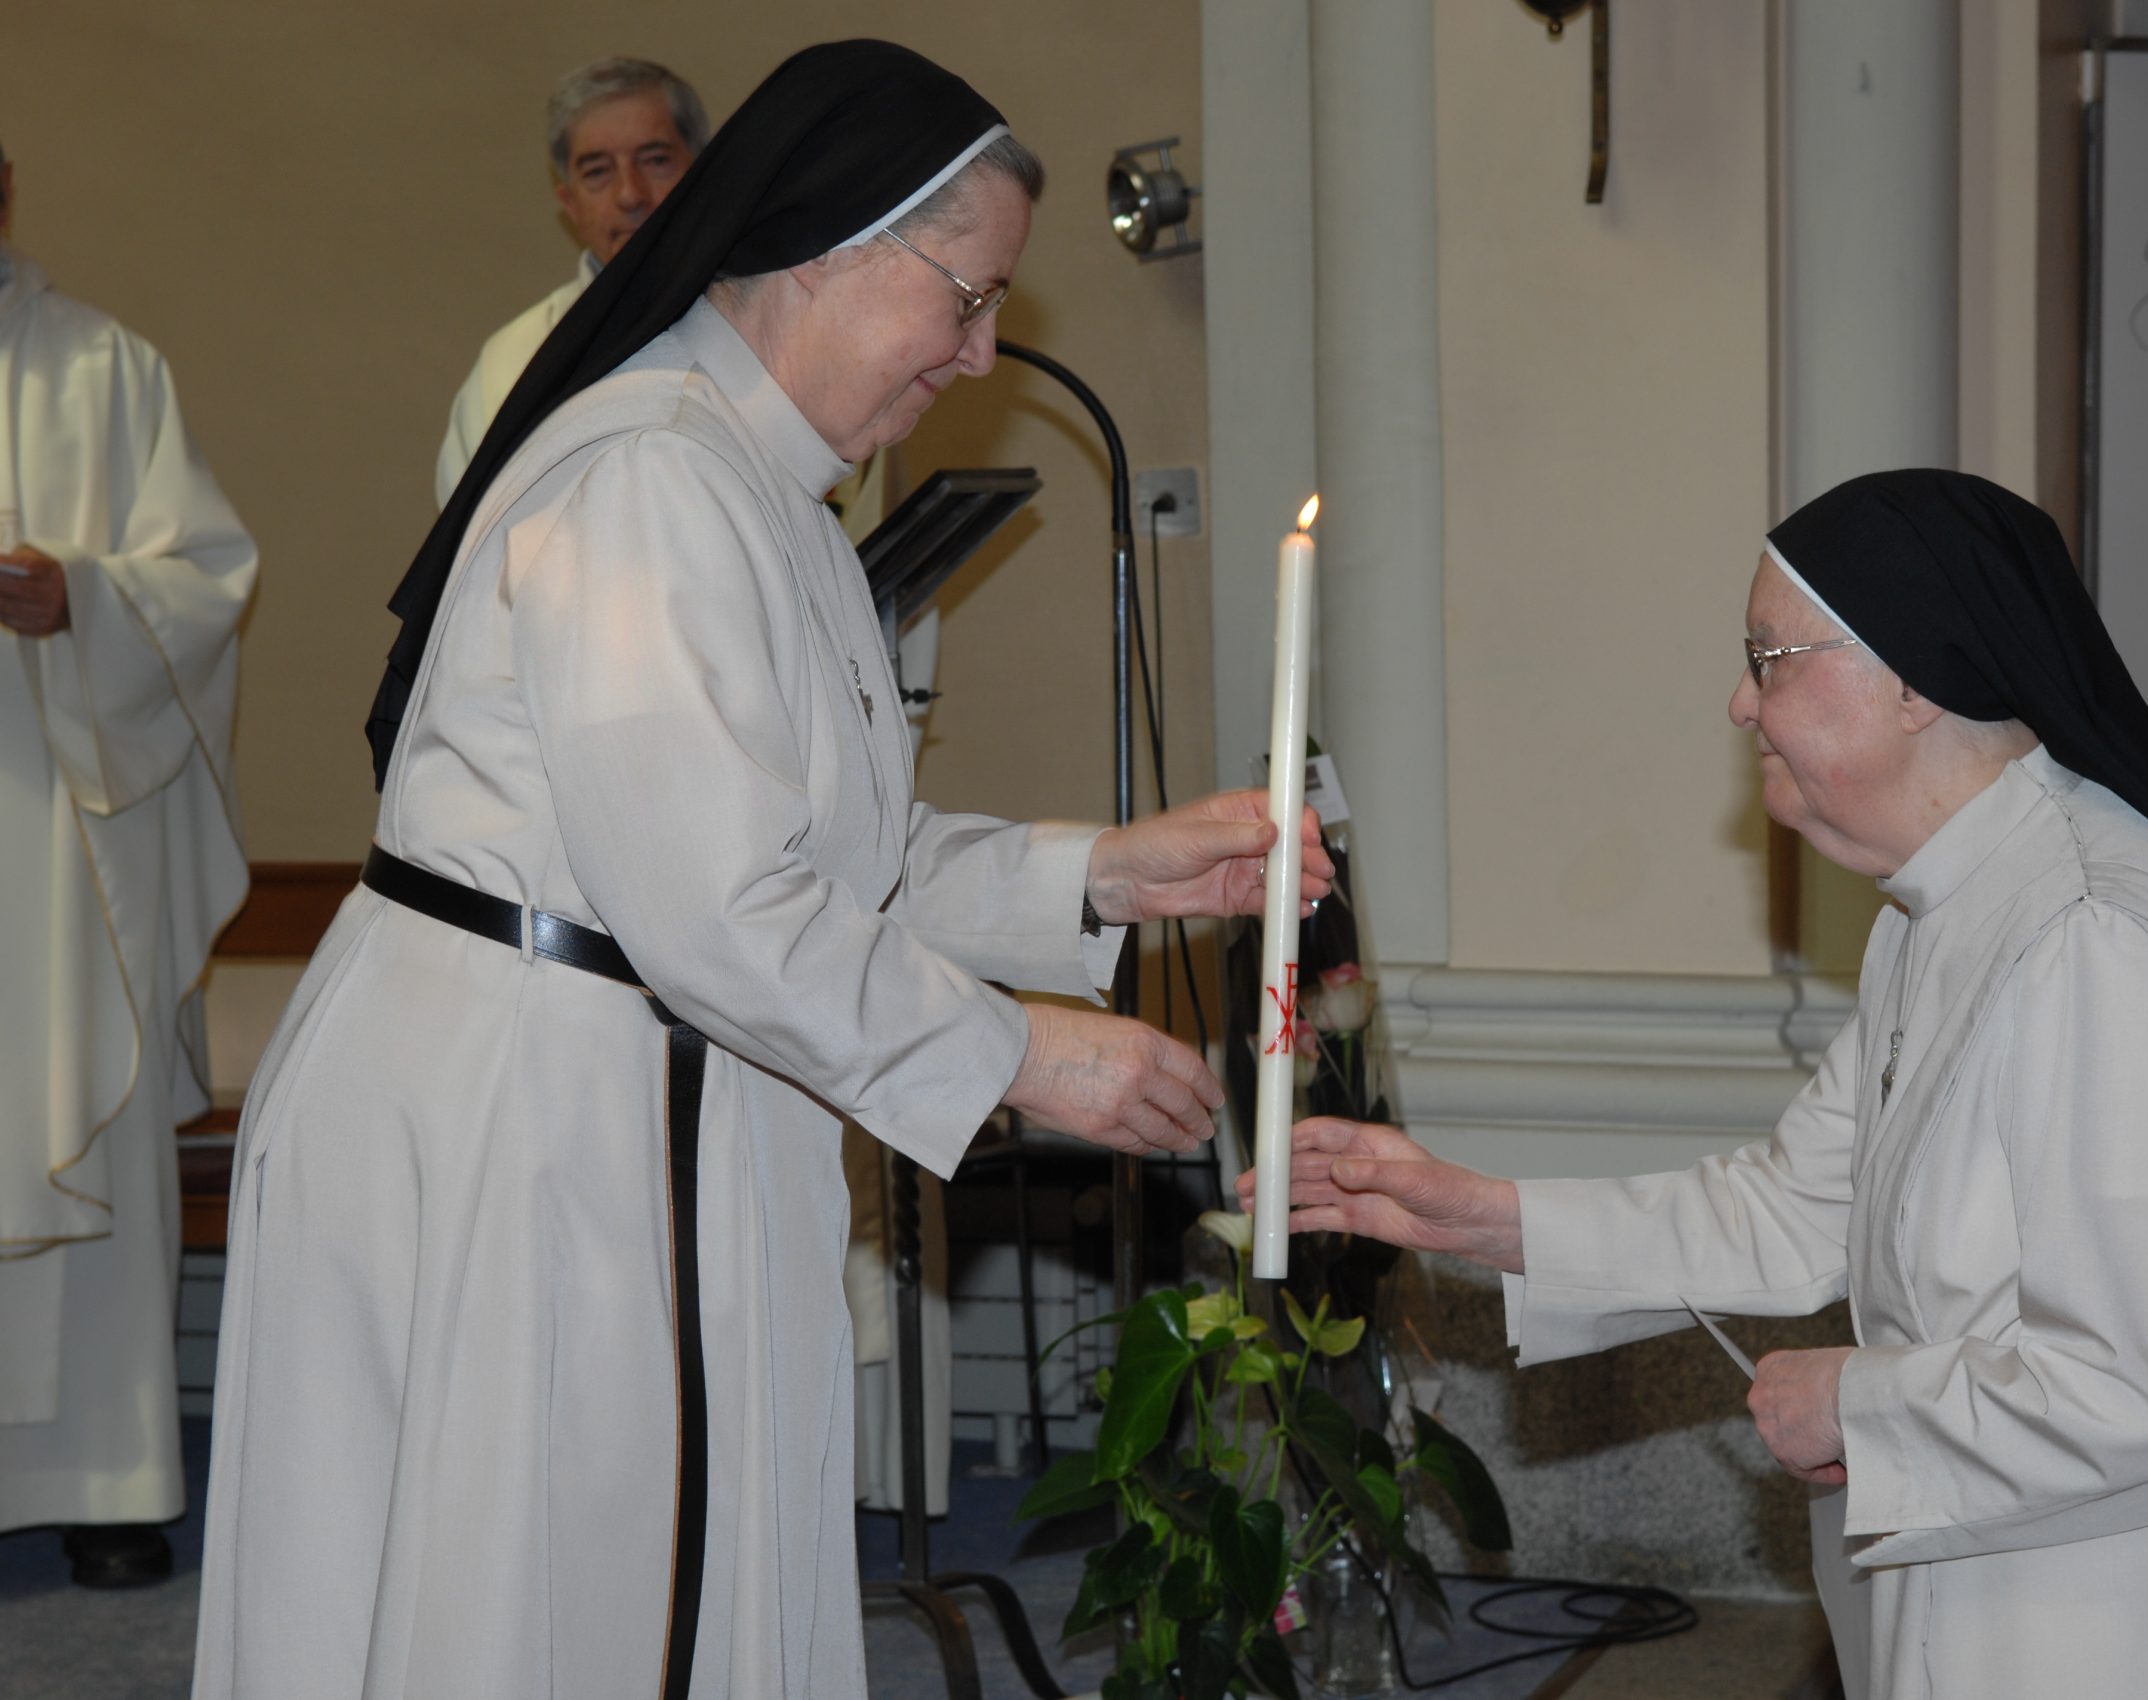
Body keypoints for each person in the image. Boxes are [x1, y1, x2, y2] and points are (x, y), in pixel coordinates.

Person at [192, 41, 1327, 1700]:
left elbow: (817, 851)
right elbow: (717, 904)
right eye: (965, 296)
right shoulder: (652, 472)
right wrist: (1020, 1051)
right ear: (829, 244)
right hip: (531, 1121)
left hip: (612, 1090)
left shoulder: (765, 492)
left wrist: (1109, 877)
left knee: (615, 1578)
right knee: (542, 1598)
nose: (980, 351)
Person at [1247, 470, 2148, 1700]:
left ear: (1911, 679)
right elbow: (1803, 1201)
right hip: (2028, 1552)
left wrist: (1855, 1398)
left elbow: (2126, 1386)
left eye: (1771, 657)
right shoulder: (1947, 903)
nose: (1740, 703)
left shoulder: (2095, 944)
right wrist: (1477, 1213)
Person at [0, 139, 258, 1587]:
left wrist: (78, 599)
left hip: (55, 835)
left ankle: (105, 1481)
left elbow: (208, 575)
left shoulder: (104, 370)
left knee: (71, 1115)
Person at [433, 55, 708, 505]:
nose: (630, 195)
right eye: (597, 171)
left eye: (655, 160)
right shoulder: (513, 364)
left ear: (705, 175)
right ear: (569, 202)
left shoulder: (770, 324)